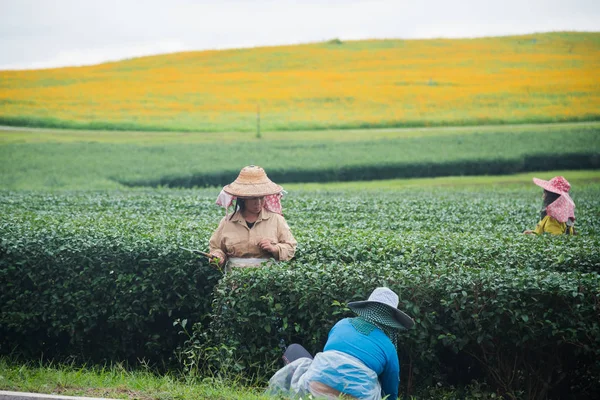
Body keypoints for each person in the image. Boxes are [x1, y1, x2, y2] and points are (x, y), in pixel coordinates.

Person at [267, 287, 415, 400]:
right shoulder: (388, 347)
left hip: (314, 388)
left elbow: (330, 358)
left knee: (295, 351)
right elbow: (390, 393)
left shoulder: (342, 324)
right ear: (391, 320)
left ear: (365, 309)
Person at [209, 165, 297, 271]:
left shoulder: (276, 220)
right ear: (243, 199)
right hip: (234, 279)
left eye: (261, 198)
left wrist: (274, 249)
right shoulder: (227, 222)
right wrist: (218, 257)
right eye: (253, 199)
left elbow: (290, 247)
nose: (258, 203)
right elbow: (216, 247)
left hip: (266, 279)